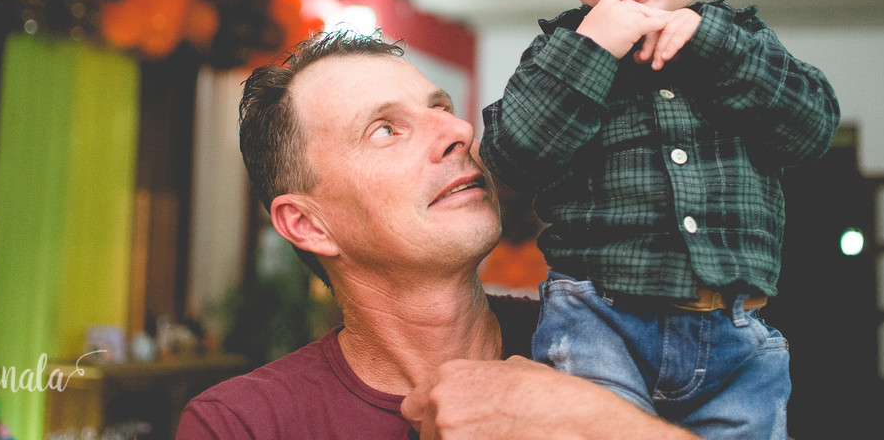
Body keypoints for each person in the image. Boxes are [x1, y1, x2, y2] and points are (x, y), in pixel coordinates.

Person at [480, 0, 841, 439]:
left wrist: (715, 47)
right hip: (598, 321)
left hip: (736, 336)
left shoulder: (743, 44)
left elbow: (811, 130)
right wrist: (592, 49)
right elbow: (514, 156)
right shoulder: (558, 54)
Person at [176, 31, 698, 440]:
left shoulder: (630, 340)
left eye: (442, 108)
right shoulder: (242, 424)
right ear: (308, 225)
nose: (460, 131)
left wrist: (593, 424)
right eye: (385, 129)